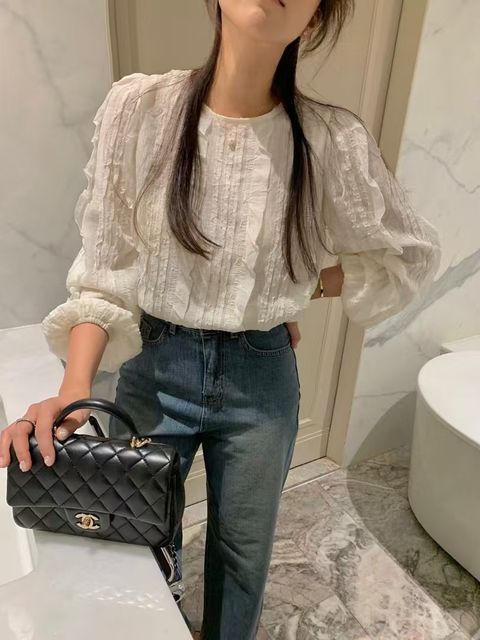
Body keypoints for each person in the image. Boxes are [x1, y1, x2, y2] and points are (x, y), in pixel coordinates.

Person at [0, 1, 441, 638]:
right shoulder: (140, 109)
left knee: (242, 554)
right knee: (136, 540)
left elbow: (406, 254)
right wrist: (74, 390)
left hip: (261, 379)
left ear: (315, 18)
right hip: (157, 367)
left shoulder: (330, 139)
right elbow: (104, 272)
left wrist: (290, 288)